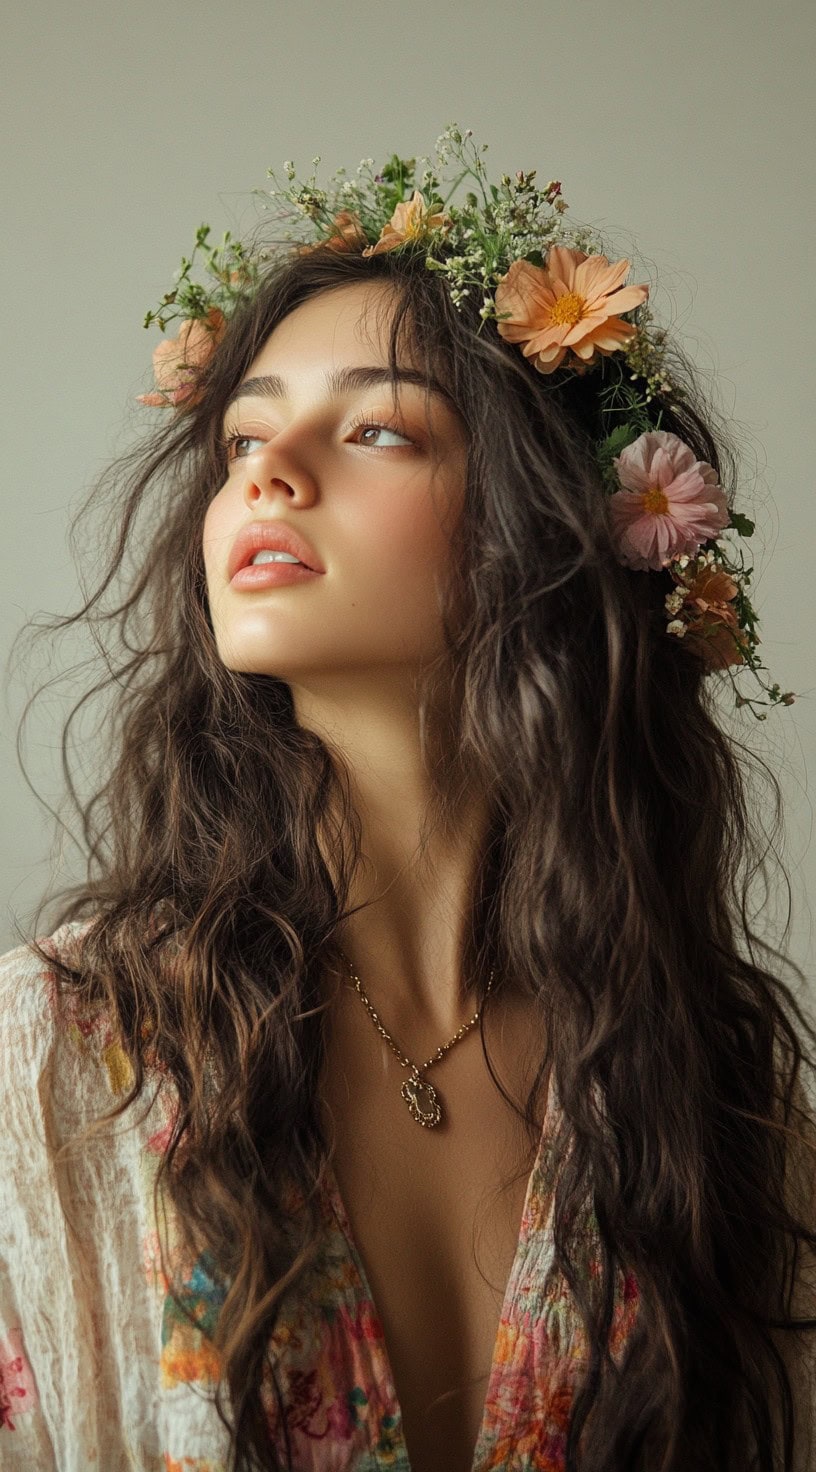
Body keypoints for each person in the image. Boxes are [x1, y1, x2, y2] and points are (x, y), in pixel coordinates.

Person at [1, 128, 814, 1472]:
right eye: (245, 433)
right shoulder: (64, 1059)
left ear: (543, 521)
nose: (264, 472)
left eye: (375, 427)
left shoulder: (718, 1097)